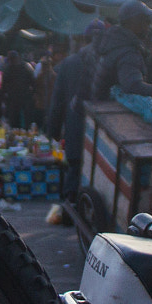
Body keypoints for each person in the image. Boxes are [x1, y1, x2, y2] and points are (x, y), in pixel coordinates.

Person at [45, 21, 104, 191]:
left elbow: (57, 102)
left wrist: (53, 132)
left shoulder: (68, 63)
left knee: (74, 178)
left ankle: (68, 212)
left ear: (84, 39)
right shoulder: (108, 62)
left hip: (75, 132)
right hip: (104, 140)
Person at [92, 2, 152, 104]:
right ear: (134, 22)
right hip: (110, 110)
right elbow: (134, 86)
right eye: (147, 21)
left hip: (103, 105)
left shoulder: (116, 42)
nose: (150, 26)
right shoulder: (126, 51)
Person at [0, 51, 36, 129]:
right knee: (16, 119)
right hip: (17, 97)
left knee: (24, 119)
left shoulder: (23, 67)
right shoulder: (10, 68)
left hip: (21, 97)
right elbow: (33, 82)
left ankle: (24, 131)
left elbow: (33, 83)